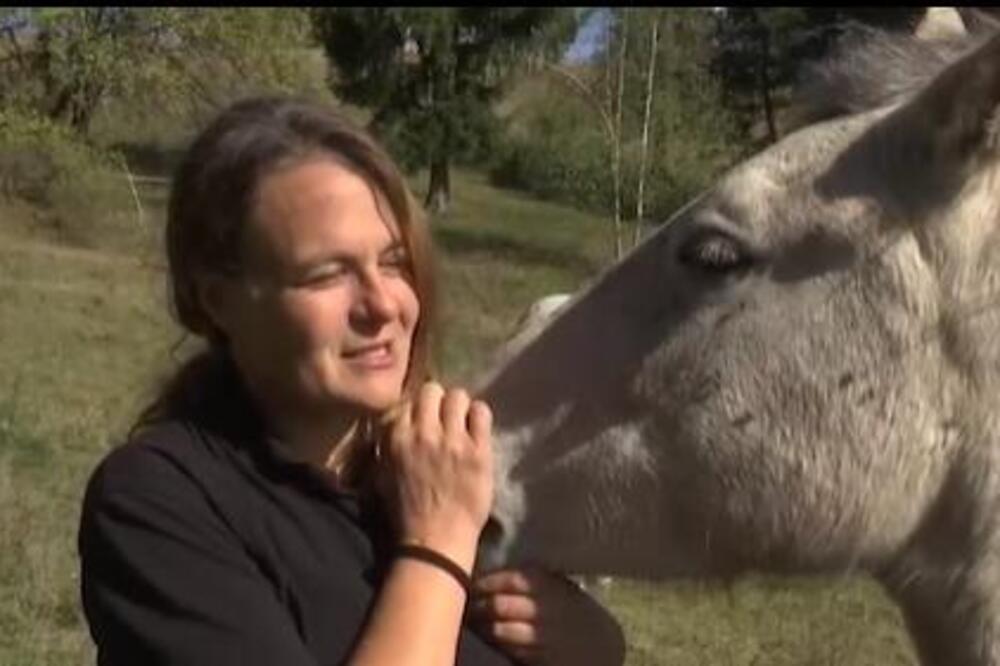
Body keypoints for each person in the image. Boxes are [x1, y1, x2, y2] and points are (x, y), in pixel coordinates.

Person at [77, 96, 625, 666]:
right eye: (328, 274)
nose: (383, 304)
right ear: (219, 302)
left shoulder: (438, 463)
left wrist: (600, 649)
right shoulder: (160, 504)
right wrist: (436, 549)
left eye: (392, 262)